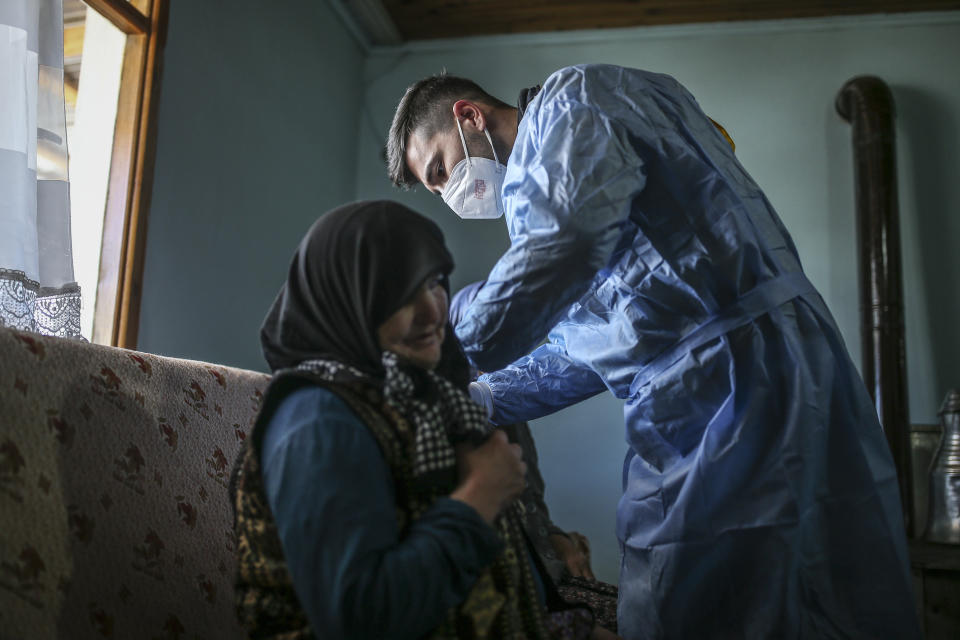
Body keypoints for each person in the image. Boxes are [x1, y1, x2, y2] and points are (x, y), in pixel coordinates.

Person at [385, 65, 922, 639]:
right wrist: (483, 396)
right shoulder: (549, 180)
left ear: (467, 116)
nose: (450, 195)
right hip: (761, 361)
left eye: (441, 169)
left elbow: (565, 248)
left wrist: (446, 341)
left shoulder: (575, 105)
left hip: (724, 382)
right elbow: (594, 342)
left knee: (691, 603)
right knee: (820, 591)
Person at [229, 200, 616, 639]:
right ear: (347, 299)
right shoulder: (317, 421)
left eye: (434, 282)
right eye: (399, 292)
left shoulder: (420, 398)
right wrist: (480, 495)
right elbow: (359, 621)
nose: (434, 311)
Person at [451, 281, 619, 632]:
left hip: (545, 580)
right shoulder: (445, 425)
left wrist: (557, 538)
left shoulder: (505, 408)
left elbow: (530, 505)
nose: (495, 366)